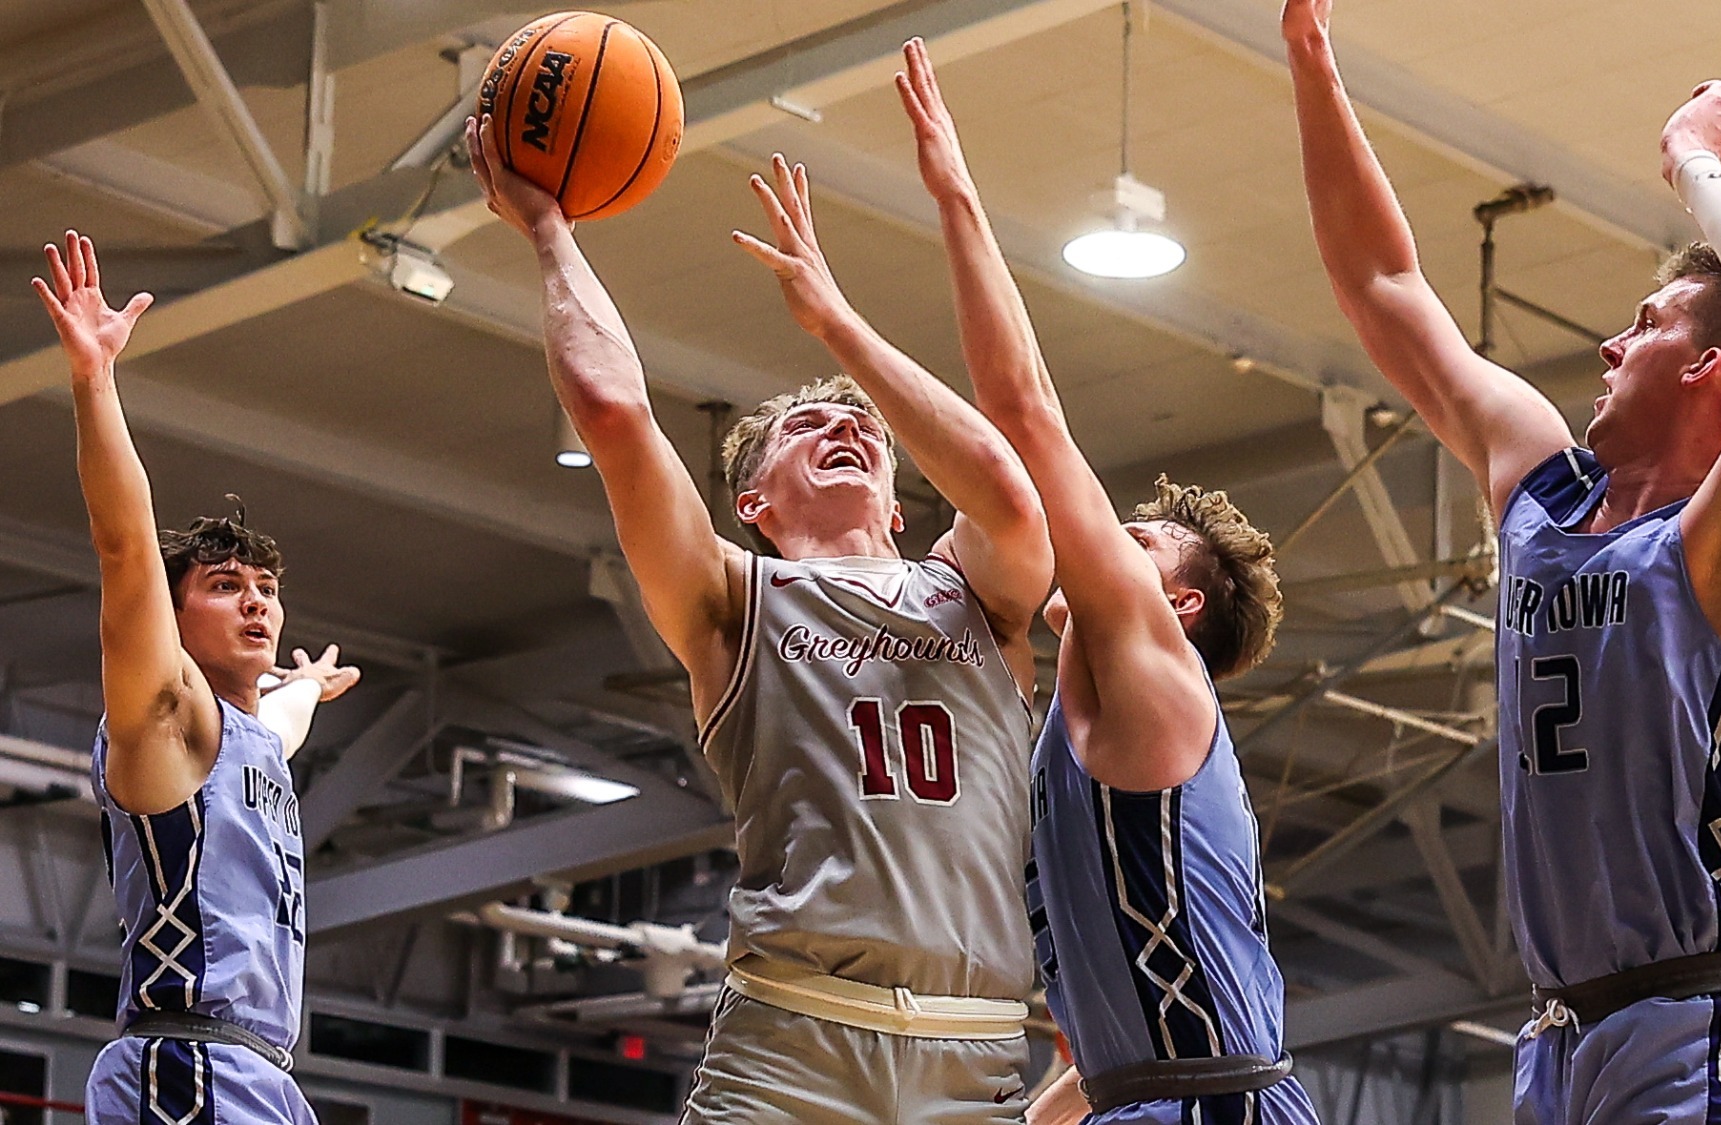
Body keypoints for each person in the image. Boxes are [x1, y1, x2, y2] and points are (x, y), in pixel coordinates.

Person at [1283, 1, 1721, 1120]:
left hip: (1708, 1032)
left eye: (1643, 325)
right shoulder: (1542, 498)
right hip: (1560, 1042)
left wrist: (1687, 160)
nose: (1607, 343)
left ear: (1705, 369)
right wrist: (1308, 59)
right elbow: (1382, 289)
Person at [464, 107, 1055, 1123]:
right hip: (793, 1042)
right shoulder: (734, 597)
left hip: (971, 1050)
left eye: (861, 424)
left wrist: (838, 328)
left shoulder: (978, 590)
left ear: (899, 498)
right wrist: (547, 232)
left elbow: (1007, 480)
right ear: (753, 504)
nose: (844, 425)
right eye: (805, 425)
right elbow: (612, 414)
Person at [890, 40, 1314, 1124]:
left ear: (1175, 608)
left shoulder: (1154, 665)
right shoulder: (1075, 727)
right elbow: (1109, 1040)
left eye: (1136, 542)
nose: (1102, 542)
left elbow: (1024, 412)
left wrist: (953, 190)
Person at [32, 231, 360, 1125]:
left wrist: (308, 687)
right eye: (225, 587)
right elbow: (125, 545)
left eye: (267, 589)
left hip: (263, 1075)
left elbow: (282, 720)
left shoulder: (255, 733)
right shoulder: (170, 722)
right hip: (186, 1066)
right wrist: (94, 381)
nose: (257, 603)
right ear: (173, 624)